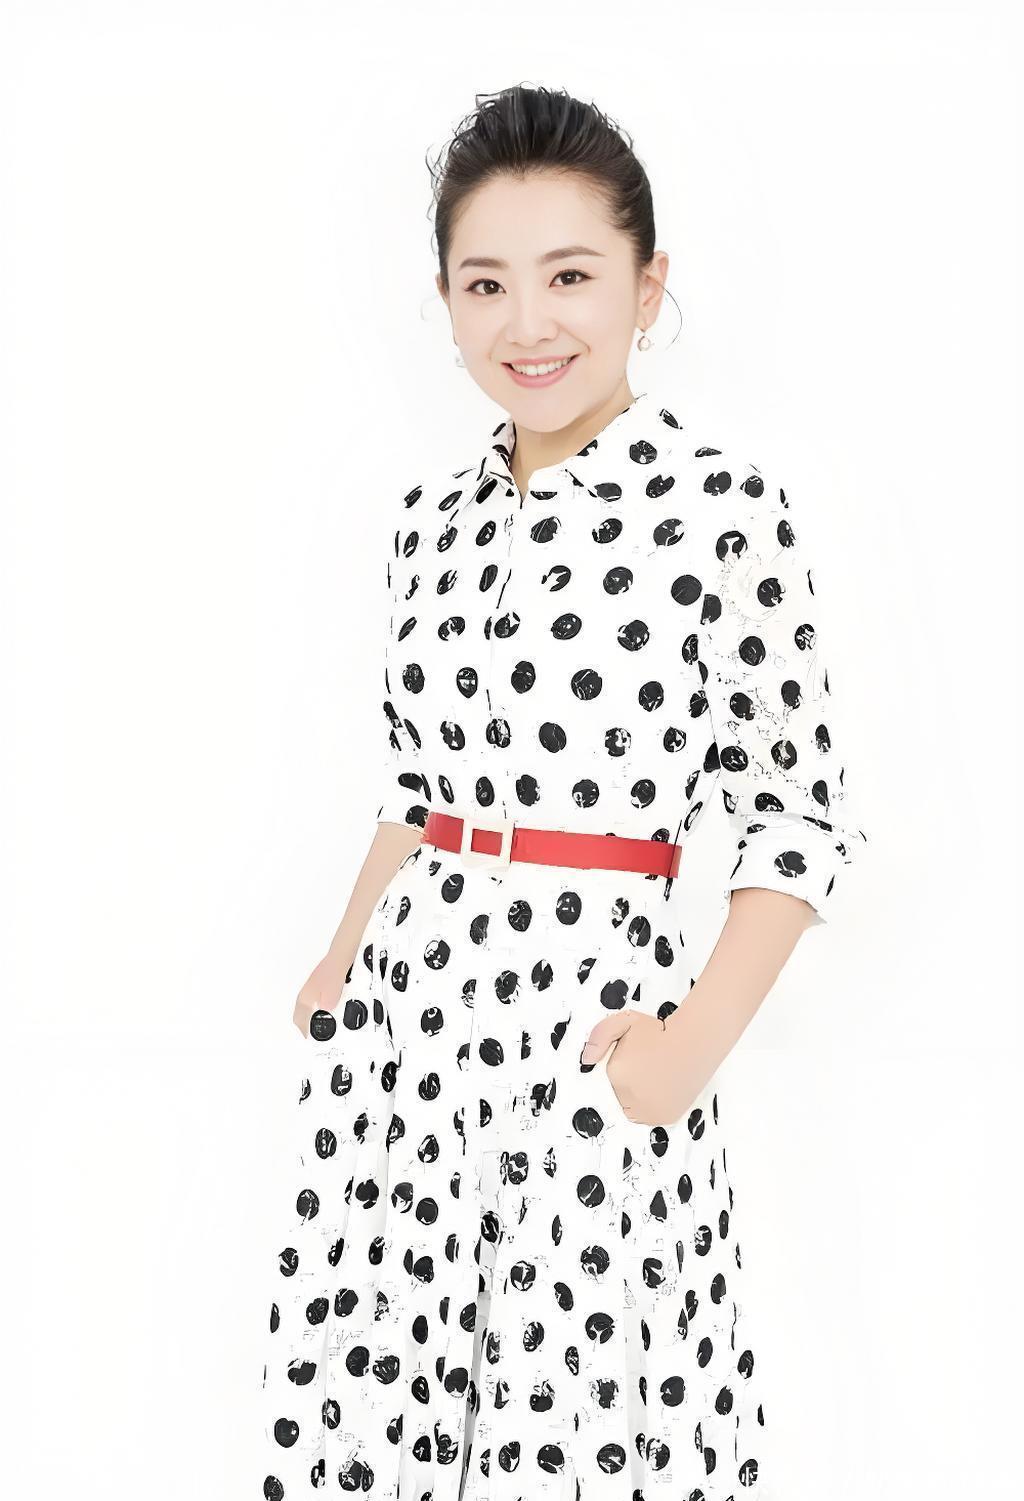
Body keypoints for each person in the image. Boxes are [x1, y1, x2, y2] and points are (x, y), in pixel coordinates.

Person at [258, 83, 867, 1501]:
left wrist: (684, 1052)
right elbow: (414, 779)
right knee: (385, 1400)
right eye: (486, 283)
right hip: (407, 1040)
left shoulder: (722, 509)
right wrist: (345, 957)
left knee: (581, 1417)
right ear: (445, 303)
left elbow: (799, 813)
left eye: (572, 275)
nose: (527, 322)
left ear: (649, 287)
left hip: (585, 1027)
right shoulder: (428, 521)